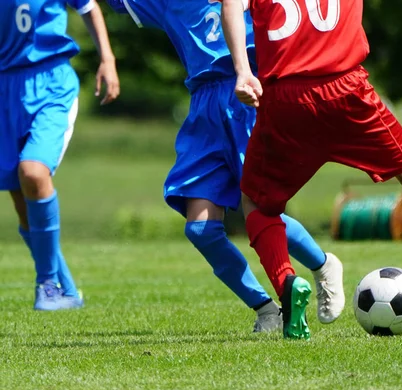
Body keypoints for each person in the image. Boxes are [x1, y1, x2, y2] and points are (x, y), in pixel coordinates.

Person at [220, 0, 402, 339]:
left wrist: (243, 70)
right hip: (347, 89)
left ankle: (286, 283)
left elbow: (230, 5)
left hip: (286, 99)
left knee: (257, 203)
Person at [104, 0, 345, 332]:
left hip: (250, 99)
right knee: (200, 228)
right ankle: (265, 309)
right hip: (204, 110)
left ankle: (322, 266)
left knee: (259, 211)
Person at [1, 0, 120, 310]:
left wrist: (107, 59)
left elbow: (88, 7)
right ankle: (64, 291)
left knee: (33, 172)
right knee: (21, 198)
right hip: (5, 88)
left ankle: (47, 285)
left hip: (50, 81)